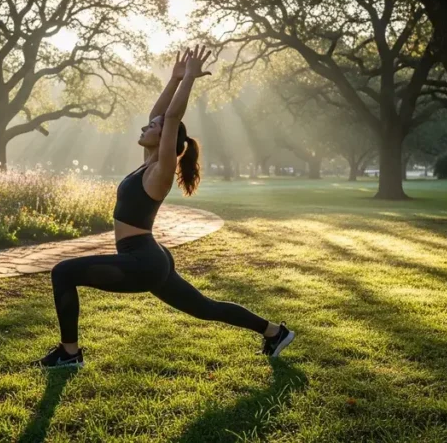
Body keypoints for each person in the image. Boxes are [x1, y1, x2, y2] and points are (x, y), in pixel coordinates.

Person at [32, 46, 294, 368]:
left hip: (142, 260)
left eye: (152, 128)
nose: (144, 128)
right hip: (148, 258)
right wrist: (173, 79)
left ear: (166, 138)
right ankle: (274, 332)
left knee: (63, 272)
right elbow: (159, 115)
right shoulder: (149, 164)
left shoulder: (161, 171)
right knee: (206, 308)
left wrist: (190, 81)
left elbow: (170, 117)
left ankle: (69, 354)